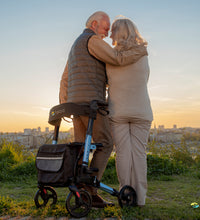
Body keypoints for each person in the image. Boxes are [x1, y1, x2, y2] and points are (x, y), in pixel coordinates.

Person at [59, 11, 147, 208]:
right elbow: (116, 58)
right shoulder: (92, 40)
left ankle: (80, 190)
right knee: (105, 143)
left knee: (81, 148)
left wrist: (64, 102)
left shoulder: (76, 45)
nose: (107, 34)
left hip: (75, 104)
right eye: (106, 29)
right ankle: (90, 189)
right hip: (91, 103)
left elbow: (65, 77)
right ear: (94, 24)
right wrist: (141, 51)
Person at [106, 18, 153, 207]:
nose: (110, 35)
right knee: (139, 154)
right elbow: (145, 79)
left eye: (112, 31)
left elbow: (106, 81)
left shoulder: (111, 56)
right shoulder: (143, 54)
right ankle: (140, 199)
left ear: (119, 33)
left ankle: (126, 196)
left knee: (123, 154)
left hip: (118, 111)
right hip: (142, 110)